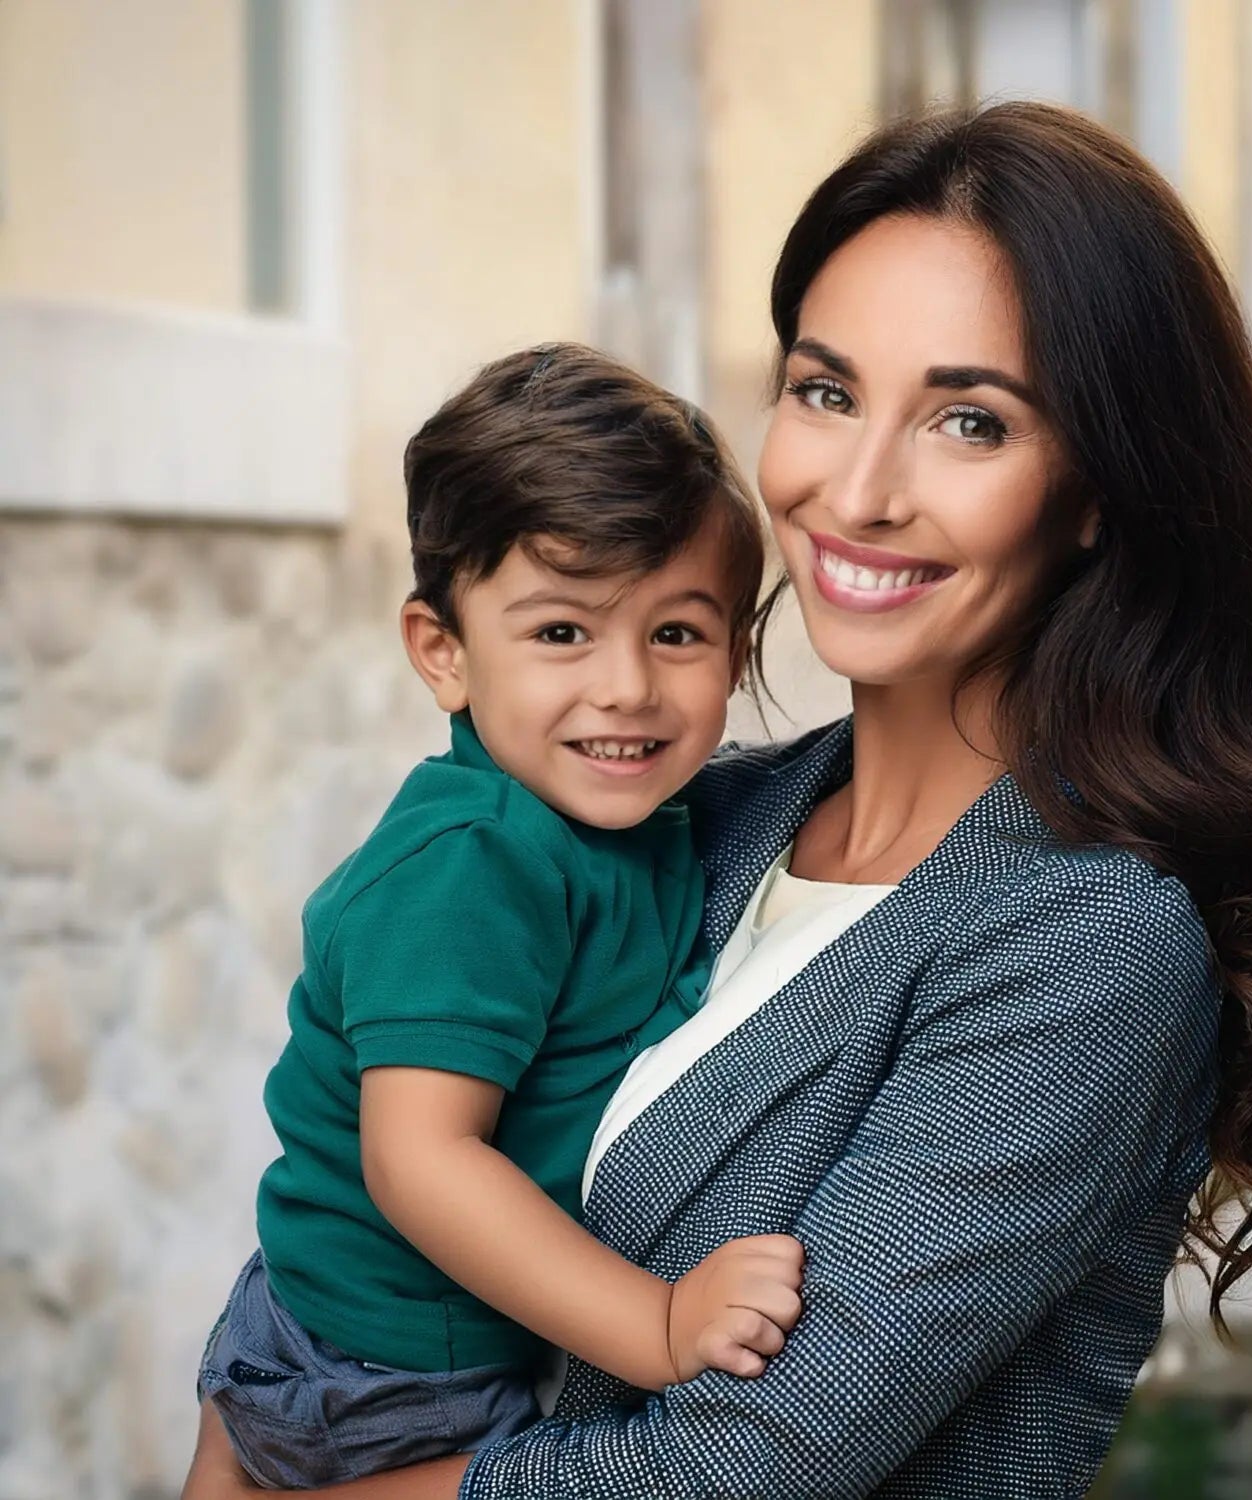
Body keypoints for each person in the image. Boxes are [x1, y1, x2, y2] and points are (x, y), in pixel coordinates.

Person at [184, 102, 1252, 1500]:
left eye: (968, 420)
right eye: (825, 391)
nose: (858, 492)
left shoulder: (1084, 940)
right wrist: (244, 1423)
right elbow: (381, 1176)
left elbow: (746, 1467)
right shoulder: (691, 818)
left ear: (1094, 495)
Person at [191, 343, 806, 1489]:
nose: (626, 686)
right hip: (371, 1372)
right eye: (562, 632)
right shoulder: (473, 863)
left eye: (676, 632)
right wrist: (659, 1325)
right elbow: (420, 1159)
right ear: (445, 653)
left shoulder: (644, 822)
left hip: (433, 1347)